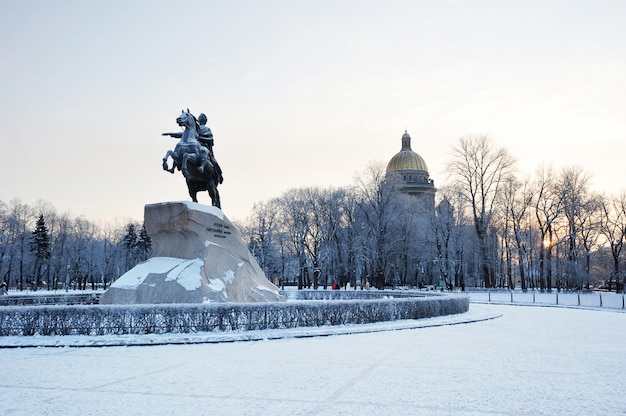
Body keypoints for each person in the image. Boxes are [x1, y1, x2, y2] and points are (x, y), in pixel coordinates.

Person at [197, 113, 223, 184]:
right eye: (199, 118)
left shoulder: (207, 129)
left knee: (214, 161)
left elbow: (210, 139)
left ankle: (218, 175)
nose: (200, 119)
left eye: (201, 118)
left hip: (204, 146)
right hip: (195, 146)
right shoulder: (195, 128)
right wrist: (171, 134)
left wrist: (199, 138)